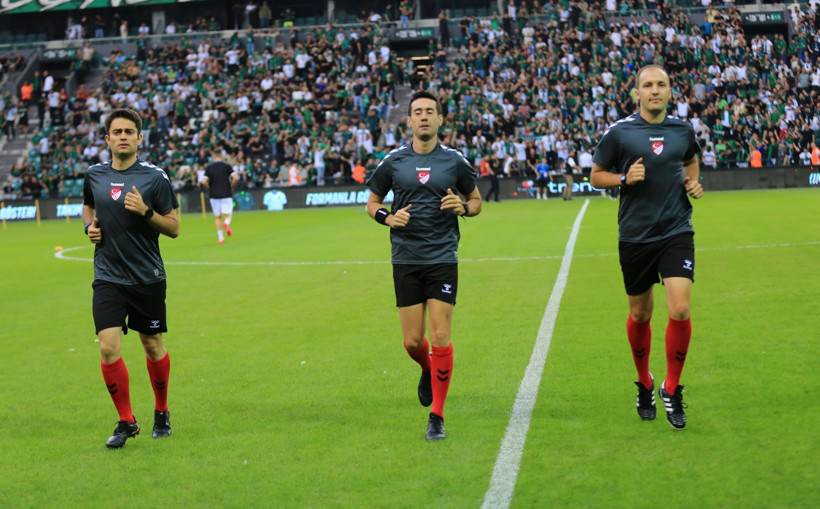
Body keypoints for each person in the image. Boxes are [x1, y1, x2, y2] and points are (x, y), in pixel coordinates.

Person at [590, 65, 703, 430]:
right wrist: (623, 178)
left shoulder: (682, 130)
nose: (655, 91)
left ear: (671, 91)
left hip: (676, 231)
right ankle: (645, 381)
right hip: (635, 236)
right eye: (647, 85)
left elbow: (691, 161)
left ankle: (672, 387)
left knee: (681, 308)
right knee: (640, 315)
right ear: (636, 93)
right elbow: (595, 176)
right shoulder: (620, 133)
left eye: (661, 85)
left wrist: (693, 183)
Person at [366, 90, 482, 441]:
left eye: (430, 111)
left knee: (441, 335)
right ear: (410, 120)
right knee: (413, 341)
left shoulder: (454, 161)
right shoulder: (394, 162)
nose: (424, 116)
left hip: (443, 257)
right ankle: (427, 369)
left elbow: (476, 201)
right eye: (418, 111)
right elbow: (372, 202)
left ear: (440, 119)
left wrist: (463, 207)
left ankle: (437, 416)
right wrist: (388, 218)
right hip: (405, 259)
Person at [82, 108, 179, 448]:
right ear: (107, 138)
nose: (123, 136)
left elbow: (174, 227)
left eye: (129, 131)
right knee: (108, 348)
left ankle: (162, 411)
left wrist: (147, 212)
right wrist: (88, 227)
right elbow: (89, 207)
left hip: (146, 277)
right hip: (108, 276)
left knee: (152, 345)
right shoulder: (94, 174)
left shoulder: (155, 178)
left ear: (140, 138)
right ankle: (126, 420)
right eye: (117, 131)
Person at [202, 152, 238, 244]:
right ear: (221, 157)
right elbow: (235, 178)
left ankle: (221, 238)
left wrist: (209, 188)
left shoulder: (209, 168)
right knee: (227, 215)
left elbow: (203, 181)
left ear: (213, 156)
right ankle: (226, 223)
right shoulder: (227, 166)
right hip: (226, 193)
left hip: (214, 195)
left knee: (217, 217)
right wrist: (231, 186)